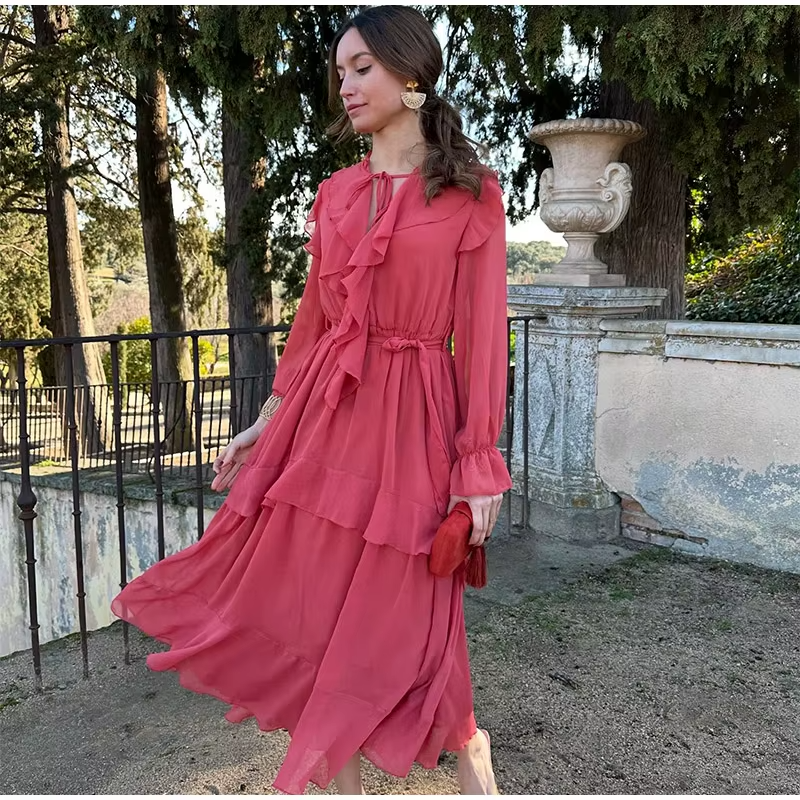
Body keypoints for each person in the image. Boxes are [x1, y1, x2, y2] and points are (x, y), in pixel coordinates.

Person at [111, 5, 512, 795]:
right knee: (318, 613)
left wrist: (477, 463)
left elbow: (480, 339)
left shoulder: (471, 195)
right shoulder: (335, 195)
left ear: (412, 76)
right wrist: (266, 424)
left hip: (415, 425)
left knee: (415, 612)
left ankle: (469, 750)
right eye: (340, 72)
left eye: (363, 68)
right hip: (327, 422)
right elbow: (314, 327)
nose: (346, 86)